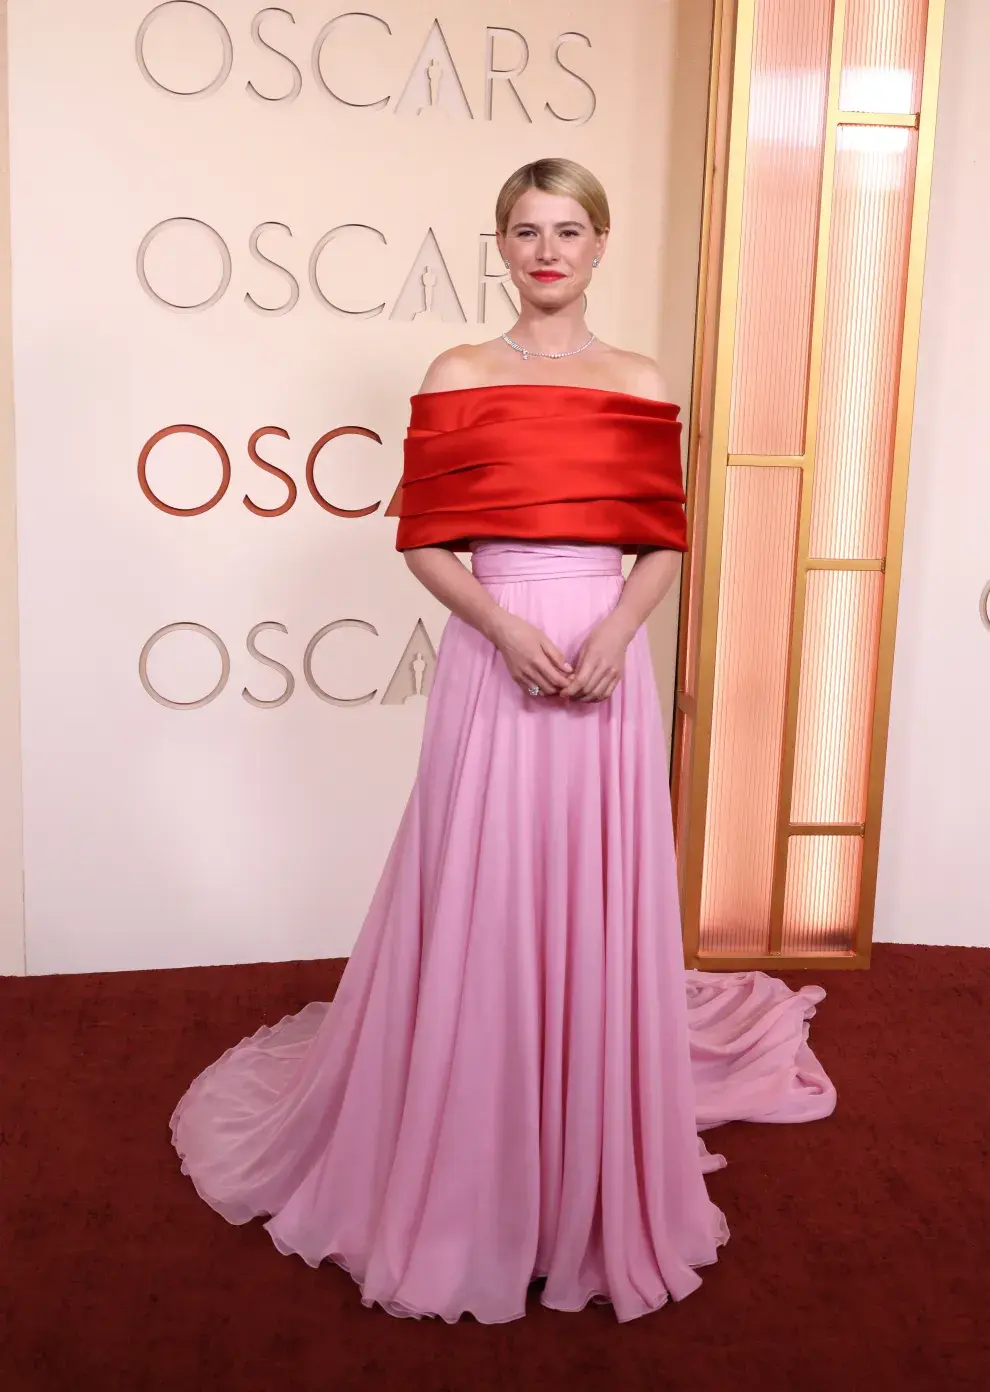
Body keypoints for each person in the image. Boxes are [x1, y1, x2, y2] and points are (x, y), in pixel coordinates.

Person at [170, 158, 835, 1325]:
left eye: (568, 230)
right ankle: (471, 1166)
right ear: (500, 244)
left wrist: (618, 635)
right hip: (495, 653)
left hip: (606, 664)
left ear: (600, 243)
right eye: (525, 231)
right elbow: (426, 542)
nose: (547, 250)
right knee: (483, 894)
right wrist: (504, 625)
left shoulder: (636, 377)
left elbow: (662, 549)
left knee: (590, 897)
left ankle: (582, 1167)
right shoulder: (460, 373)